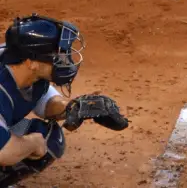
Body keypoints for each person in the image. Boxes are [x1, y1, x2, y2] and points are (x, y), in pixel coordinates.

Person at [0, 14, 128, 187]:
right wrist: (33, 144)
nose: (64, 60)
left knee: (50, 139)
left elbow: (43, 101)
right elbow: (4, 152)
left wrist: (73, 108)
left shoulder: (24, 67)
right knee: (30, 143)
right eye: (56, 56)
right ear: (32, 62)